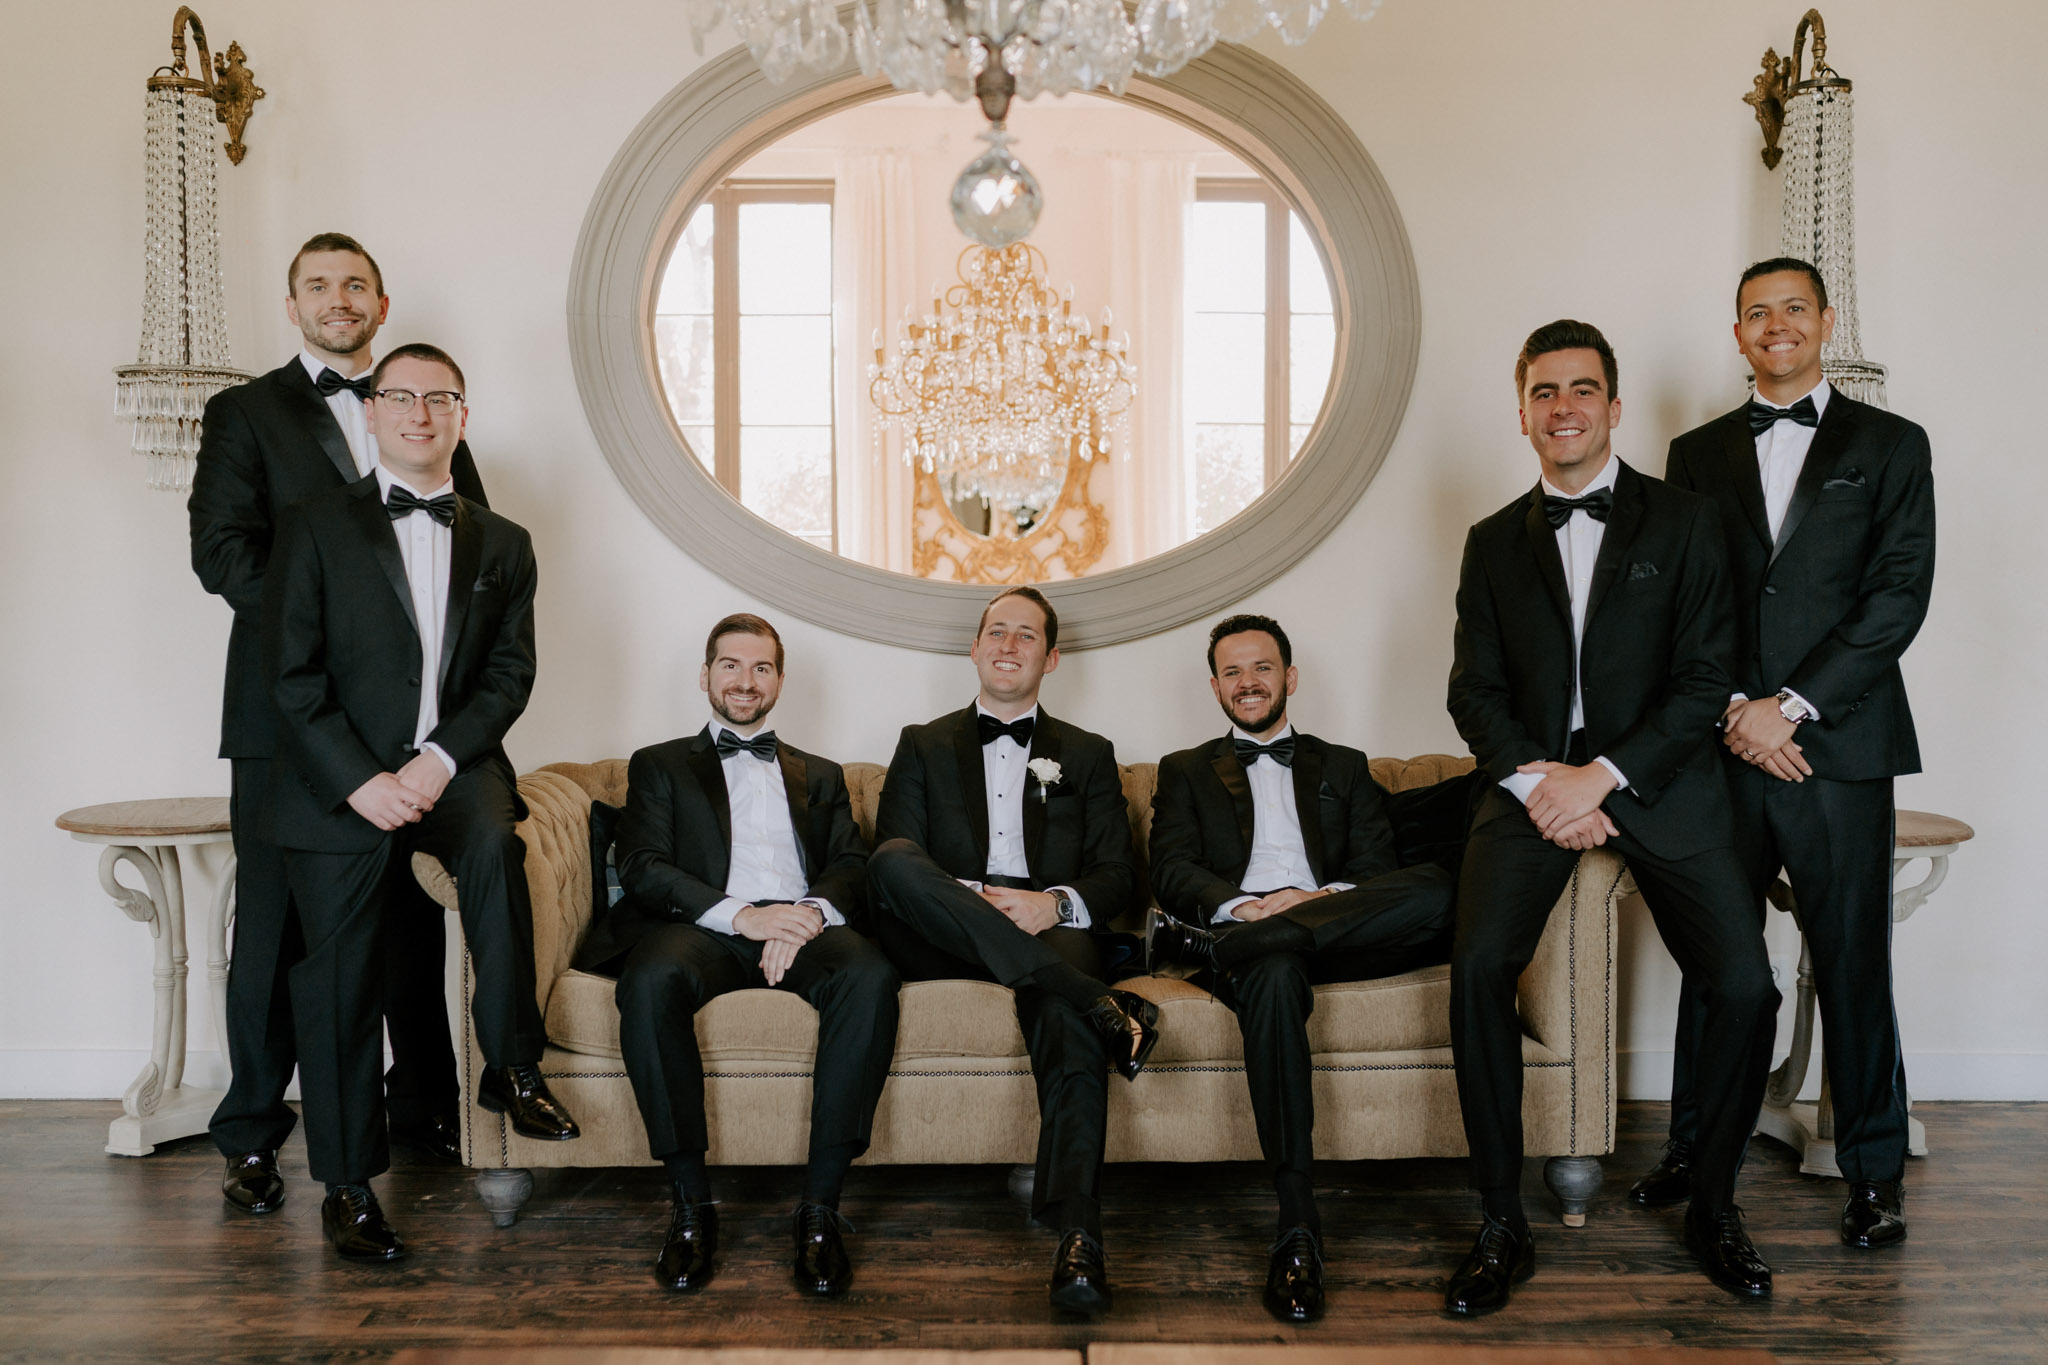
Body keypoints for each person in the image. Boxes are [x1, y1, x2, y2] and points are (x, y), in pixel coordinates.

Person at [1442, 320, 1780, 1312]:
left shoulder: (1682, 522)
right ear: (1520, 413)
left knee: (1745, 985)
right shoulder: (1491, 542)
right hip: (1532, 789)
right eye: (1543, 392)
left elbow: (1703, 677)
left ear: (1612, 408)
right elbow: (1474, 693)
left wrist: (1605, 778)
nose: (1563, 408)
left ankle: (1711, 1203)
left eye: (1581, 389)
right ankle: (1499, 1218)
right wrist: (1543, 783)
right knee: (1474, 968)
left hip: (1664, 785)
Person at [262, 343, 579, 1261]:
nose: (419, 412)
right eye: (399, 396)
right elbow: (289, 675)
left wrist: (438, 761)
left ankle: (513, 1064)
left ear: (462, 416)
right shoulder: (315, 523)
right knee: (341, 980)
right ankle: (350, 1188)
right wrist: (361, 780)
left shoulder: (505, 543)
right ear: (372, 412)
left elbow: (511, 674)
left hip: (455, 765)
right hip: (340, 778)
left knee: (494, 843)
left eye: (439, 398)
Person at [190, 233, 484, 1212]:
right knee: (274, 933)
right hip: (286, 721)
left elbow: (469, 560)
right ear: (294, 306)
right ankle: (251, 1135)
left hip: (414, 733)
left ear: (382, 302)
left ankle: (421, 1110)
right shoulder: (245, 413)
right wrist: (338, 611)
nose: (338, 298)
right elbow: (224, 557)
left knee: (409, 925)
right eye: (318, 285)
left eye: (354, 284)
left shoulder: (427, 412)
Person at [1653, 258, 1935, 1248]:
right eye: (1753, 313)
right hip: (1721, 749)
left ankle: (1869, 1172)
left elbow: (1896, 595)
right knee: (1715, 964)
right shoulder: (1691, 454)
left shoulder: (1890, 445)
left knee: (1851, 963)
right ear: (1736, 334)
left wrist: (1793, 707)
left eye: (1790, 309)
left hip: (1838, 747)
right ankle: (1692, 1150)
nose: (1773, 326)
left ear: (1821, 322)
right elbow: (1679, 602)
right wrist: (1739, 710)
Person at [572, 614, 900, 1295]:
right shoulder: (659, 763)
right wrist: (747, 916)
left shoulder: (825, 774)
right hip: (707, 926)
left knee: (868, 975)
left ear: (779, 680)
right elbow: (643, 864)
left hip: (802, 927)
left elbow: (850, 863)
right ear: (706, 675)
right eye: (731, 665)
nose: (744, 680)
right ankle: (691, 1205)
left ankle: (821, 1210)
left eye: (760, 667)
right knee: (652, 976)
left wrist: (801, 915)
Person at [1146, 613, 1456, 1322]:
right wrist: (1241, 908)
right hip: (1253, 935)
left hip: (1339, 930)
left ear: (1290, 677)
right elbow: (1170, 868)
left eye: (1261, 668)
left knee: (1437, 886)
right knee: (1276, 970)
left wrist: (1313, 901)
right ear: (1215, 686)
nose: (1247, 682)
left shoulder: (1343, 765)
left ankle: (1235, 947)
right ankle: (1296, 1223)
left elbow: (1377, 870)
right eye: (1232, 671)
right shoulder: (1185, 769)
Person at [866, 586, 1153, 1318]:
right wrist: (979, 902)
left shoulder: (1088, 754)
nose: (1008, 643)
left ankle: (1080, 1236)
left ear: (1050, 658)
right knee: (893, 858)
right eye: (997, 630)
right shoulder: (921, 743)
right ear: (975, 647)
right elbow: (897, 860)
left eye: (1027, 635)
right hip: (942, 931)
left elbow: (1118, 872)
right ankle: (1093, 995)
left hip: (1048, 927)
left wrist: (1050, 903)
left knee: (1065, 1022)